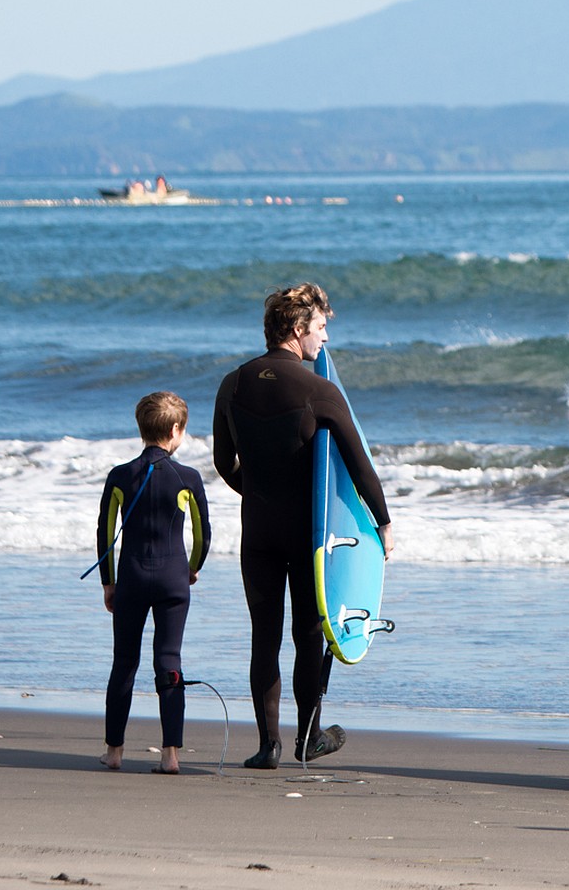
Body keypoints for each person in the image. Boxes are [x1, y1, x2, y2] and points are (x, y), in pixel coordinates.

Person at [212, 283, 394, 769]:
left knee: (264, 635)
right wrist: (383, 523)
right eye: (321, 328)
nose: (325, 338)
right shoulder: (319, 390)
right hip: (308, 536)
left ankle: (267, 746)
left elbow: (223, 462)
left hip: (259, 532)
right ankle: (307, 739)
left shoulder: (232, 383)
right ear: (297, 330)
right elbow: (359, 467)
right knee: (310, 634)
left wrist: (258, 496)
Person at [96, 391, 210, 774]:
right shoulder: (188, 477)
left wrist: (108, 583)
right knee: (169, 660)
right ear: (176, 430)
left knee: (124, 662)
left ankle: (114, 752)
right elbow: (203, 533)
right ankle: (171, 755)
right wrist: (192, 569)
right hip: (173, 580)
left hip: (130, 578)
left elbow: (104, 532)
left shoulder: (119, 476)